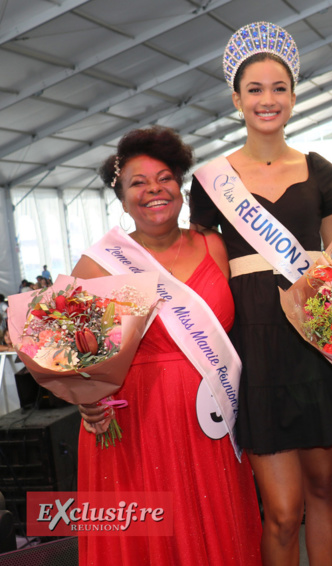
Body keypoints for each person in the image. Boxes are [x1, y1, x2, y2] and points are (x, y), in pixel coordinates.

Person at [188, 22, 332, 566]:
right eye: (254, 90)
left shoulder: (320, 171)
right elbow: (210, 275)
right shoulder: (212, 180)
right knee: (281, 510)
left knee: (324, 491)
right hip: (252, 349)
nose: (267, 100)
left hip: (315, 343)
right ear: (236, 99)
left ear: (294, 96)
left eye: (278, 88)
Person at [72, 126, 261, 565]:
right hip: (138, 423)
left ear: (180, 186)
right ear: (121, 198)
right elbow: (70, 349)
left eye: (165, 178)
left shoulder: (214, 247)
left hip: (213, 418)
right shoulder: (99, 263)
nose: (154, 190)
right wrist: (85, 398)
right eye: (138, 182)